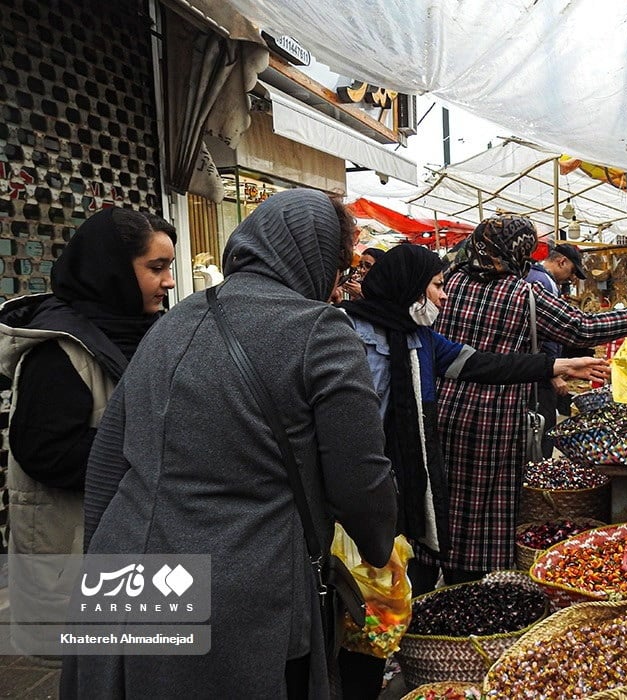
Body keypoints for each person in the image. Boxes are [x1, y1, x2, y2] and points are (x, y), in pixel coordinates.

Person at [64, 190, 399, 699]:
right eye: (340, 268)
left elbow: (109, 460)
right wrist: (379, 544)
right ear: (313, 259)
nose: (338, 286)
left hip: (128, 561)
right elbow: (360, 477)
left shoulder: (173, 321)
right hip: (242, 581)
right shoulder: (320, 330)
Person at [337, 243, 607, 699]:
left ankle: (374, 670)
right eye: (437, 286)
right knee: (354, 599)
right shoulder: (347, 332)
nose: (444, 296)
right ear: (410, 287)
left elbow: (481, 363)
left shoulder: (421, 338)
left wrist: (556, 364)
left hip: (400, 485)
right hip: (355, 493)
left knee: (385, 592)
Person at [434, 214, 627, 583]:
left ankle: (442, 566)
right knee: (485, 502)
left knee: (443, 493)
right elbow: (580, 328)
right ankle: (477, 579)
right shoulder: (522, 293)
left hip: (441, 404)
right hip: (494, 414)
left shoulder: (450, 281)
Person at [0, 208, 176, 658]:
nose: (170, 282)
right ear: (111, 270)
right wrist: (160, 447)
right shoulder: (60, 350)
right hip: (75, 560)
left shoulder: (143, 333)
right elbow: (45, 453)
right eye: (156, 268)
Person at [524, 241, 589, 457]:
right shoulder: (545, 283)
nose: (571, 278)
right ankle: (539, 472)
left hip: (531, 369)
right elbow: (547, 334)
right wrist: (553, 372)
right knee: (543, 429)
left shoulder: (531, 276)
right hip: (540, 373)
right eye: (572, 271)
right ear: (562, 262)